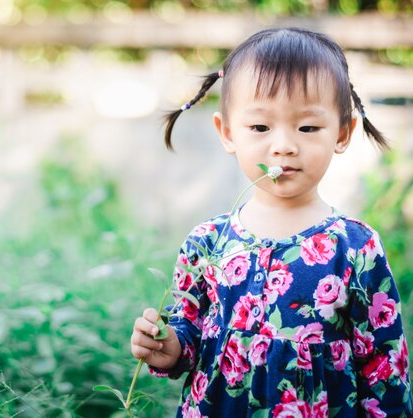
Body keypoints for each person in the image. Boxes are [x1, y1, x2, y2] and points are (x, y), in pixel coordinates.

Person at [130, 27, 412, 417]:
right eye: (260, 127)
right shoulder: (207, 243)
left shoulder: (355, 247)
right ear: (228, 133)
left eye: (308, 127)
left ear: (343, 132)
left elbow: (384, 367)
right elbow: (190, 334)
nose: (283, 145)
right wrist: (168, 347)